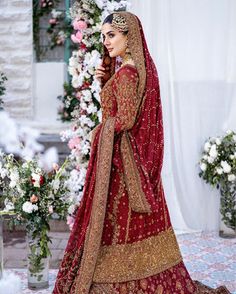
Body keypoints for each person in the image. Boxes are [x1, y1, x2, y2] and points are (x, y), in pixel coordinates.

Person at [53, 12, 230, 294]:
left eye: (111, 35)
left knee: (118, 230)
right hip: (138, 166)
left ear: (129, 35)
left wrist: (98, 131)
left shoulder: (126, 74)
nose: (106, 41)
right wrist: (105, 82)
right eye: (103, 36)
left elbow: (123, 122)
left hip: (123, 169)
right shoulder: (140, 69)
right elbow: (129, 117)